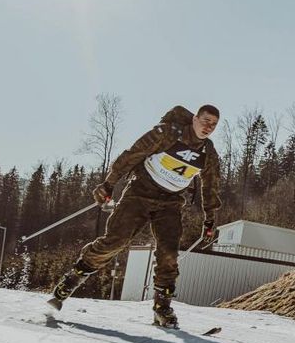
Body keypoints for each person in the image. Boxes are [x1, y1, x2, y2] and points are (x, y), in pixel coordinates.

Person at [48, 104, 222, 328]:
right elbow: (132, 155)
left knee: (169, 254)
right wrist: (109, 184)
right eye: (205, 121)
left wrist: (210, 219)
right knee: (116, 241)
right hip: (140, 192)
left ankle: (163, 307)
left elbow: (211, 187)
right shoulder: (168, 133)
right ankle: (73, 278)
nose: (208, 127)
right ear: (195, 119)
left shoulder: (208, 153)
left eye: (214, 125)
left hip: (170, 202)